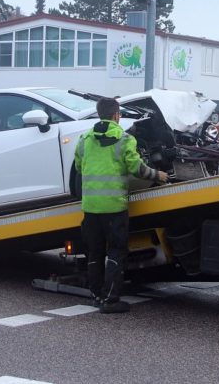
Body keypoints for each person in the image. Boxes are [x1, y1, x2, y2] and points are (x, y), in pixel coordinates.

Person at [75, 97, 168, 314]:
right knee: (116, 252)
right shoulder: (125, 139)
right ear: (116, 115)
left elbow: (79, 166)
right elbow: (137, 169)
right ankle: (111, 300)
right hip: (114, 209)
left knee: (95, 253)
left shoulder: (85, 139)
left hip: (90, 208)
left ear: (100, 114)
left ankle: (97, 296)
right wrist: (159, 175)